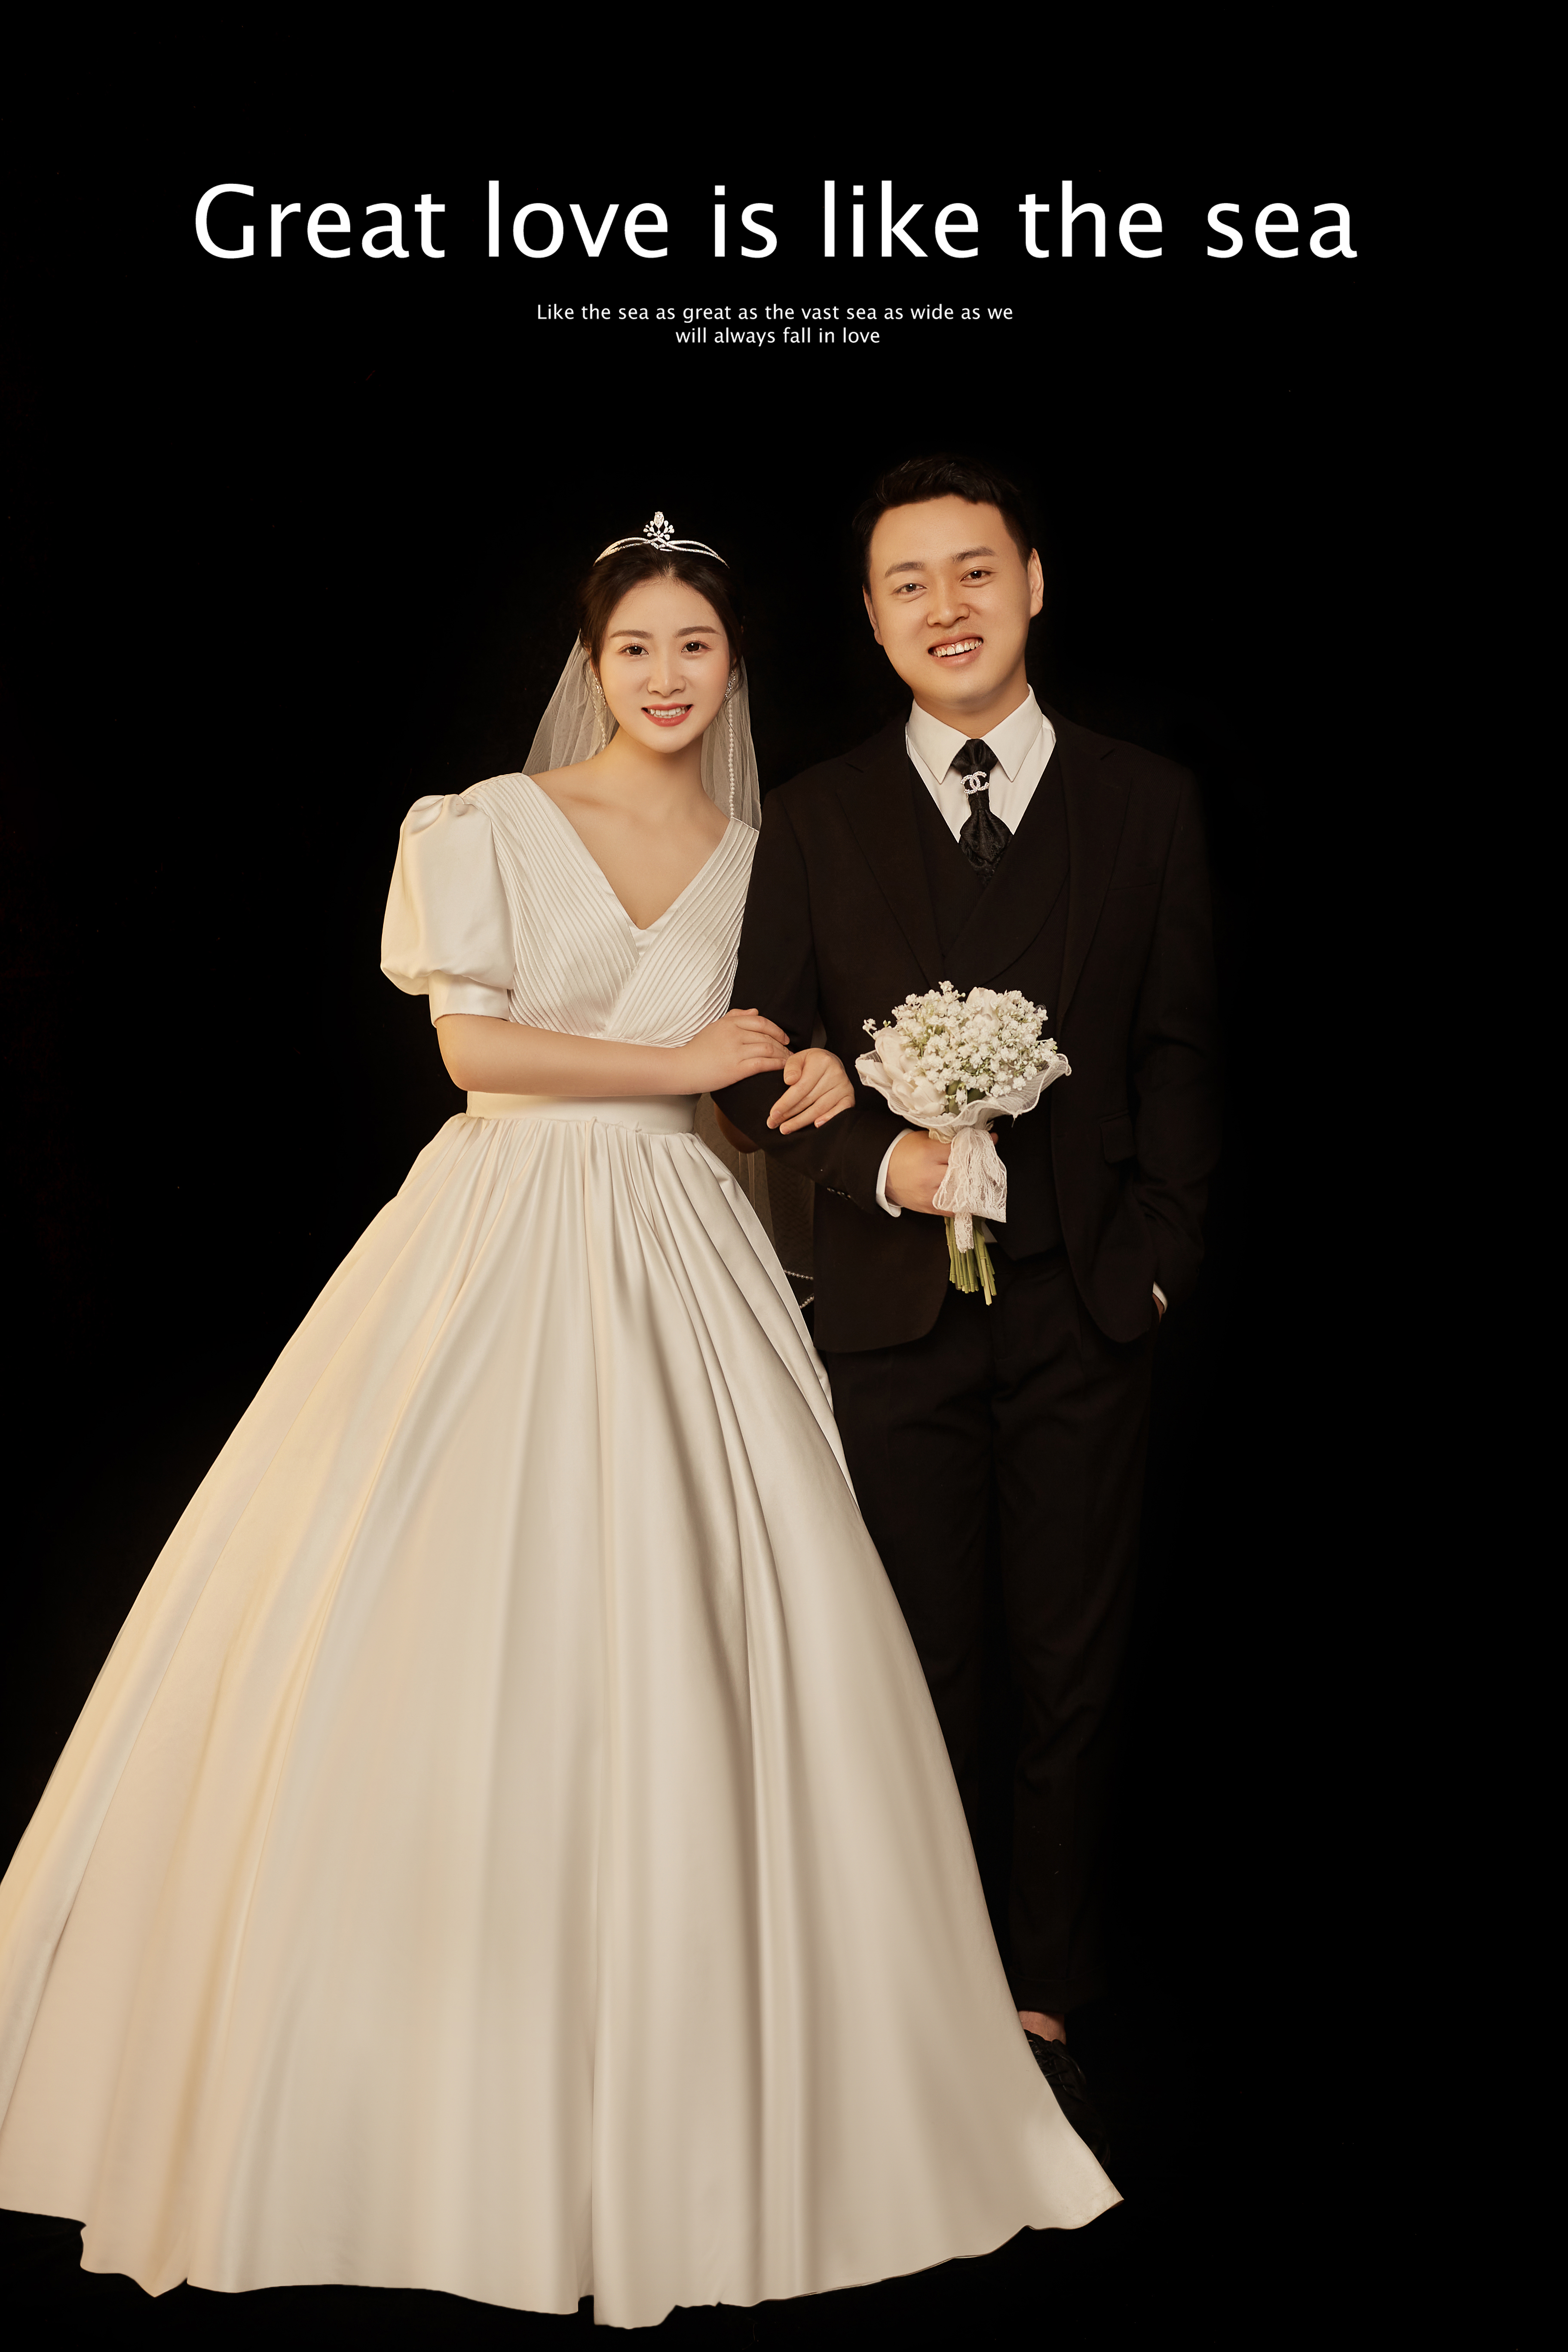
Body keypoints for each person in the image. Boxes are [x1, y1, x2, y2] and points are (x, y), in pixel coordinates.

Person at [0, 513, 1117, 2329]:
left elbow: (769, 1066)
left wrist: (802, 1069)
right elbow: (473, 1052)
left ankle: (739, 2066)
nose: (667, 678)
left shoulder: (766, 852)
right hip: (507, 1221)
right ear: (591, 666)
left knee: (718, 1620)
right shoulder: (486, 826)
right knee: (440, 1604)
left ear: (735, 669)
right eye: (636, 648)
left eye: (698, 648)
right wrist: (678, 1063)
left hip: (687, 1239)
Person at [716, 457, 1222, 2137]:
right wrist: (884, 1166)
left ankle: (1042, 1999)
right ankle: (915, 1995)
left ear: (1033, 583)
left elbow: (1179, 1055)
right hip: (889, 1315)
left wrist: (1154, 1267)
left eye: (975, 571)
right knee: (912, 1665)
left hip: (1089, 1305)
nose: (948, 608)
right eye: (909, 584)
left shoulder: (1148, 802)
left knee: (1073, 1666)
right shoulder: (814, 814)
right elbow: (757, 1068)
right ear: (872, 620)